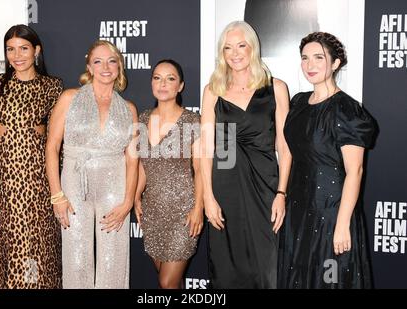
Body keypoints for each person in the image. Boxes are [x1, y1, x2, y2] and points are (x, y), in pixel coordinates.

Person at [278, 32, 375, 288]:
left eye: (319, 58)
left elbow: (355, 171)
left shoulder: (346, 109)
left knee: (329, 279)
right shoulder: (298, 103)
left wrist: (343, 224)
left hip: (331, 211)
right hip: (298, 209)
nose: (310, 65)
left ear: (335, 63)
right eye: (305, 58)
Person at [200, 21, 292, 288]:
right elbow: (206, 148)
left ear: (253, 47)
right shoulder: (212, 91)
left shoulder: (276, 88)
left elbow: (285, 147)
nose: (235, 53)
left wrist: (281, 194)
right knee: (227, 270)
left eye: (241, 45)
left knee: (268, 269)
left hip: (266, 189)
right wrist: (208, 197)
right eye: (228, 48)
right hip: (225, 189)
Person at [46, 40, 138, 289]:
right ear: (89, 66)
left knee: (114, 259)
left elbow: (132, 159)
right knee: (76, 259)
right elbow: (52, 147)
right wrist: (57, 195)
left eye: (112, 61)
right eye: (98, 61)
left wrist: (128, 201)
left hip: (115, 187)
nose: (105, 67)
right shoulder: (69, 98)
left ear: (119, 66)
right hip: (74, 186)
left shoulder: (128, 109)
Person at [0, 24, 63, 288]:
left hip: (41, 186)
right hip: (8, 189)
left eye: (23, 48)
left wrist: (57, 190)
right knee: (16, 256)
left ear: (36, 51)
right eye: (10, 49)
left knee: (39, 255)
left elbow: (57, 143)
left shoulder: (52, 87)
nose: (17, 55)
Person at [134, 59, 203, 289]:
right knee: (172, 284)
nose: (163, 84)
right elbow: (144, 166)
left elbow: (201, 169)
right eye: (157, 78)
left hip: (184, 212)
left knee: (166, 282)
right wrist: (135, 197)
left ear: (180, 86)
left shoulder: (193, 121)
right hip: (153, 212)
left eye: (170, 78)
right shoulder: (142, 120)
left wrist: (198, 209)